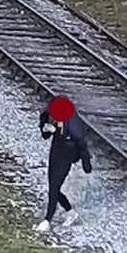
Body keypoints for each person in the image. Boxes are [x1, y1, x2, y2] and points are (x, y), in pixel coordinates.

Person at [35, 95, 92, 232]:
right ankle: (70, 212)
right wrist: (46, 129)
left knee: (54, 186)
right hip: (56, 151)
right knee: (53, 186)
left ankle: (47, 219)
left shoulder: (74, 126)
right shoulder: (48, 115)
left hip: (67, 154)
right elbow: (45, 135)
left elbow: (82, 146)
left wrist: (86, 164)